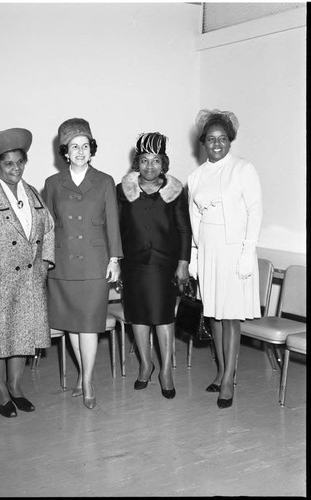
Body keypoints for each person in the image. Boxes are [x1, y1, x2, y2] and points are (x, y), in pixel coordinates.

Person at [0, 128, 55, 418]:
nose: (16, 169)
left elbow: (49, 230)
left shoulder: (32, 194)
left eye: (20, 162)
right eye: (8, 164)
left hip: (29, 279)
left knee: (22, 334)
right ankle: (0, 390)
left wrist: (44, 265)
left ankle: (16, 387)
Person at [44, 118, 122, 410]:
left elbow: (112, 223)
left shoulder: (104, 181)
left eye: (85, 146)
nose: (79, 151)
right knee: (73, 327)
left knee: (89, 326)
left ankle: (88, 380)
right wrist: (45, 261)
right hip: (62, 266)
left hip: (94, 265)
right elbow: (48, 227)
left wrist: (115, 259)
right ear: (65, 152)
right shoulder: (52, 184)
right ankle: (81, 375)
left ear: (92, 150)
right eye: (74, 146)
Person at [188, 109, 262, 409]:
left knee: (230, 316)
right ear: (203, 142)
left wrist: (247, 253)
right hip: (208, 250)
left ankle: (230, 378)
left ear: (230, 140)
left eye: (222, 139)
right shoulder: (196, 176)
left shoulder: (244, 169)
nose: (216, 144)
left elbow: (255, 212)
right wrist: (194, 254)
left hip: (234, 252)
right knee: (214, 315)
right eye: (210, 139)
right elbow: (194, 218)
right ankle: (221, 371)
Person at [117, 132, 191, 399]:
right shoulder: (122, 190)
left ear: (164, 163)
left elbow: (184, 229)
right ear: (137, 162)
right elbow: (116, 229)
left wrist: (183, 263)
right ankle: (146, 365)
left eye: (156, 161)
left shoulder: (175, 191)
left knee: (164, 317)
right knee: (137, 316)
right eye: (145, 160)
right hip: (134, 264)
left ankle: (166, 372)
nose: (150, 166)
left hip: (163, 265)